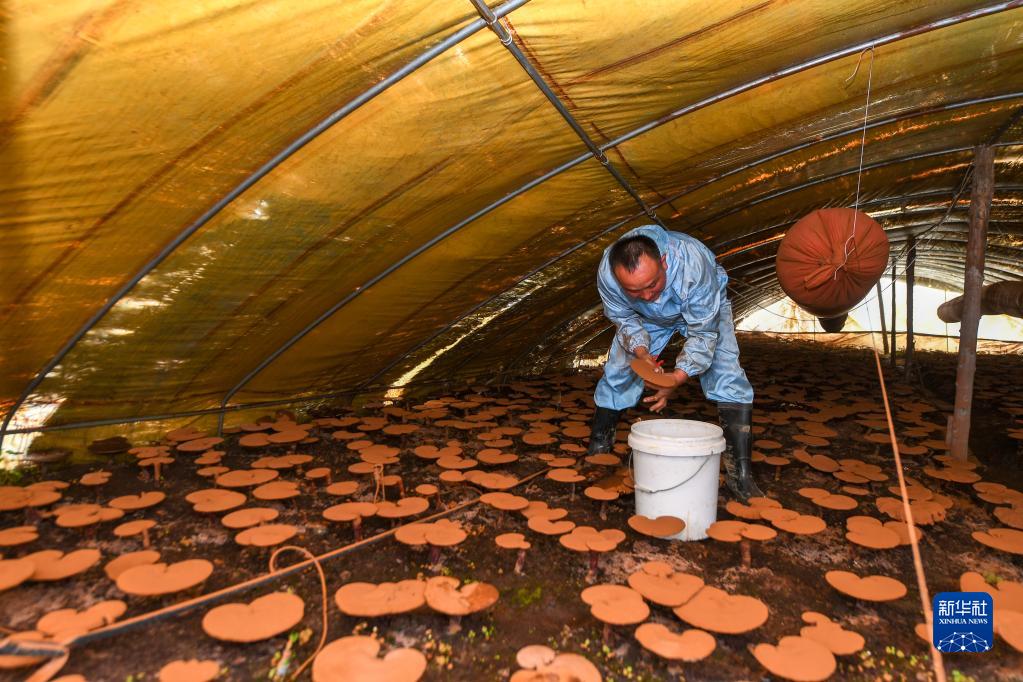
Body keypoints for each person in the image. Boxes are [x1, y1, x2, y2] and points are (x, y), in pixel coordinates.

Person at [586, 224, 765, 502]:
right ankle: (598, 453)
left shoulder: (693, 264)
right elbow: (624, 318)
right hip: (645, 318)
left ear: (665, 262)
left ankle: (739, 476)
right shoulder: (608, 276)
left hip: (704, 307)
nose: (646, 295)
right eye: (634, 290)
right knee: (618, 372)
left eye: (652, 284)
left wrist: (676, 378)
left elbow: (703, 332)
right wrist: (642, 351)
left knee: (726, 373)